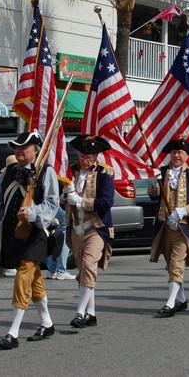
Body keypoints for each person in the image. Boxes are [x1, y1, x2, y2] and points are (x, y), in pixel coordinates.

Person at [0, 131, 59, 350]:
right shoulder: (8, 173)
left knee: (24, 273)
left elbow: (52, 205)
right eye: (16, 147)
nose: (19, 151)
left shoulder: (46, 172)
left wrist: (32, 213)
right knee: (34, 281)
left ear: (36, 151)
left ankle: (13, 332)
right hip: (13, 233)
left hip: (36, 233)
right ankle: (47, 323)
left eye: (24, 147)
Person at [149, 138, 189, 317]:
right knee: (170, 264)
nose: (176, 156)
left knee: (176, 264)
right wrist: (153, 185)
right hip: (164, 226)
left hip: (183, 227)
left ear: (186, 155)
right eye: (174, 152)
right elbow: (153, 197)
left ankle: (170, 303)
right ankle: (181, 299)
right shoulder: (162, 172)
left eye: (180, 153)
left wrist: (183, 211)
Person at [64, 135, 115, 329]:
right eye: (82, 156)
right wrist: (65, 196)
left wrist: (80, 201)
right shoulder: (70, 172)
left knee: (88, 264)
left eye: (89, 157)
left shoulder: (105, 174)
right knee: (83, 270)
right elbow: (63, 199)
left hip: (96, 227)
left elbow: (106, 202)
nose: (85, 160)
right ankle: (91, 313)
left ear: (96, 157)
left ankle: (79, 312)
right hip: (76, 227)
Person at [46, 205, 75, 280]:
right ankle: (61, 271)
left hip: (48, 204)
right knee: (65, 232)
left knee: (51, 232)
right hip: (59, 204)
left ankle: (51, 270)